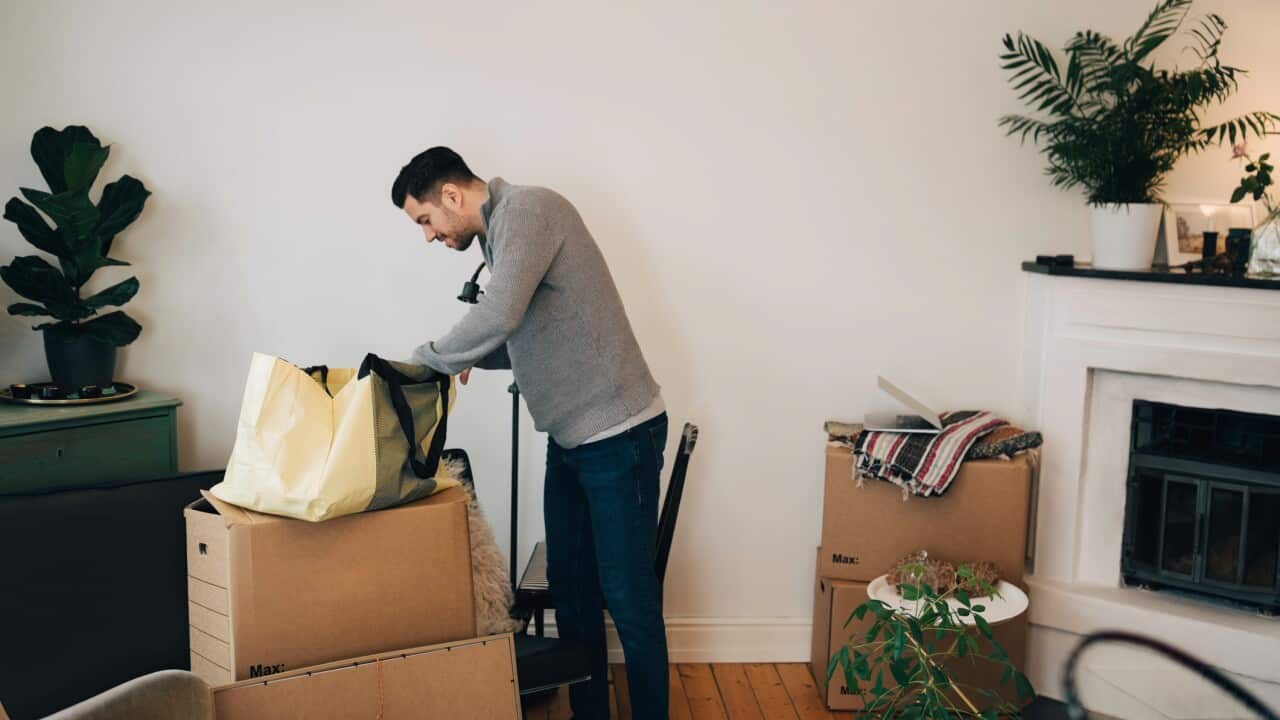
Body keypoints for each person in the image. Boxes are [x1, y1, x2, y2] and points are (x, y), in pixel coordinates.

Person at [392, 147, 669, 719]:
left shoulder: (527, 211)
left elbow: (499, 314)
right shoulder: (500, 237)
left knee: (629, 600)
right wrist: (477, 355)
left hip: (618, 435)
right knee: (572, 592)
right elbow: (528, 332)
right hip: (571, 442)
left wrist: (422, 361)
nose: (428, 235)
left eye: (425, 220)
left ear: (451, 195)